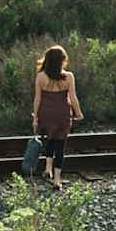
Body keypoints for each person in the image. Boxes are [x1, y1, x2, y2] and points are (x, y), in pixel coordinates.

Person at [32, 44, 83, 190]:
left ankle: (48, 168)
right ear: (62, 60)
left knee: (49, 138)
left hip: (46, 113)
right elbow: (73, 98)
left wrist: (35, 117)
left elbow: (37, 98)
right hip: (62, 113)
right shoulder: (69, 77)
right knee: (60, 146)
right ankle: (57, 180)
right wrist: (78, 113)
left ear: (47, 60)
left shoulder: (41, 76)